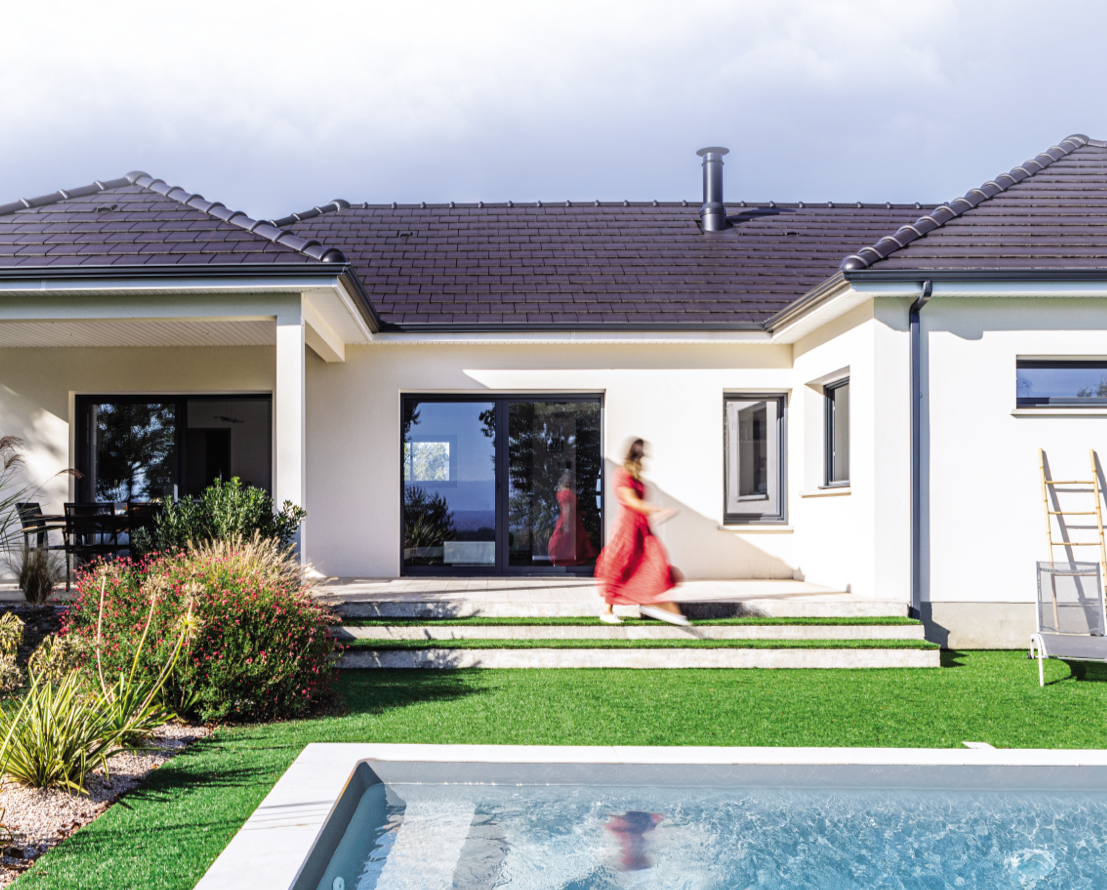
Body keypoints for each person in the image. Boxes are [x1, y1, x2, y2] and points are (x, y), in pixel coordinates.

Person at [594, 439, 688, 626]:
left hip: (641, 526)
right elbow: (633, 503)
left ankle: (652, 602)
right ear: (635, 456)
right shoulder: (621, 474)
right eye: (642, 455)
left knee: (655, 561)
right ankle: (607, 611)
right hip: (627, 528)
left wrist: (653, 516)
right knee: (621, 565)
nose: (644, 459)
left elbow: (639, 506)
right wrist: (660, 510)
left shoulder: (635, 477)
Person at [548, 468, 598, 566]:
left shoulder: (562, 491)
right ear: (570, 480)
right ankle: (562, 562)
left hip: (572, 520)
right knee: (568, 542)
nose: (576, 481)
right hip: (569, 521)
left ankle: (562, 562)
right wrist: (566, 524)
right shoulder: (567, 492)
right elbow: (567, 508)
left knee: (569, 543)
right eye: (575, 479)